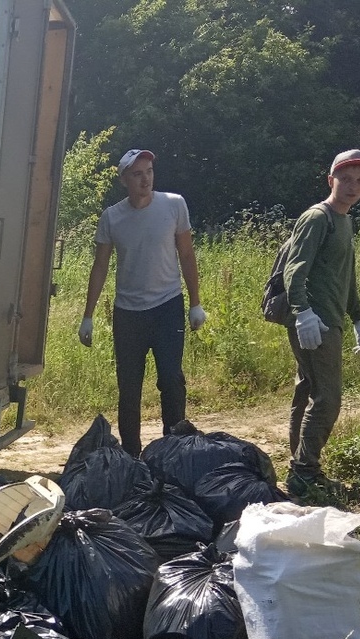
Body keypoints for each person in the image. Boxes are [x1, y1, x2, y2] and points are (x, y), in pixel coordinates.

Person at [79, 148, 206, 457]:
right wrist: (88, 315)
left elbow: (187, 255)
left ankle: (173, 450)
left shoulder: (174, 205)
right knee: (129, 388)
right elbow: (100, 266)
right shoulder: (112, 217)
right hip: (129, 314)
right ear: (124, 180)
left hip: (168, 307)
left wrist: (195, 303)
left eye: (149, 172)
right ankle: (132, 456)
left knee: (172, 380)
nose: (145, 179)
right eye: (137, 174)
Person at [283, 149, 360, 498]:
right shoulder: (317, 217)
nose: (353, 186)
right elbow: (295, 269)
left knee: (308, 390)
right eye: (346, 179)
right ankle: (305, 472)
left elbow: (346, 276)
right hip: (315, 322)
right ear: (330, 180)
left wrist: (359, 318)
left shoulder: (344, 219)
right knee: (328, 399)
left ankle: (300, 468)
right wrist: (303, 313)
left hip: (330, 319)